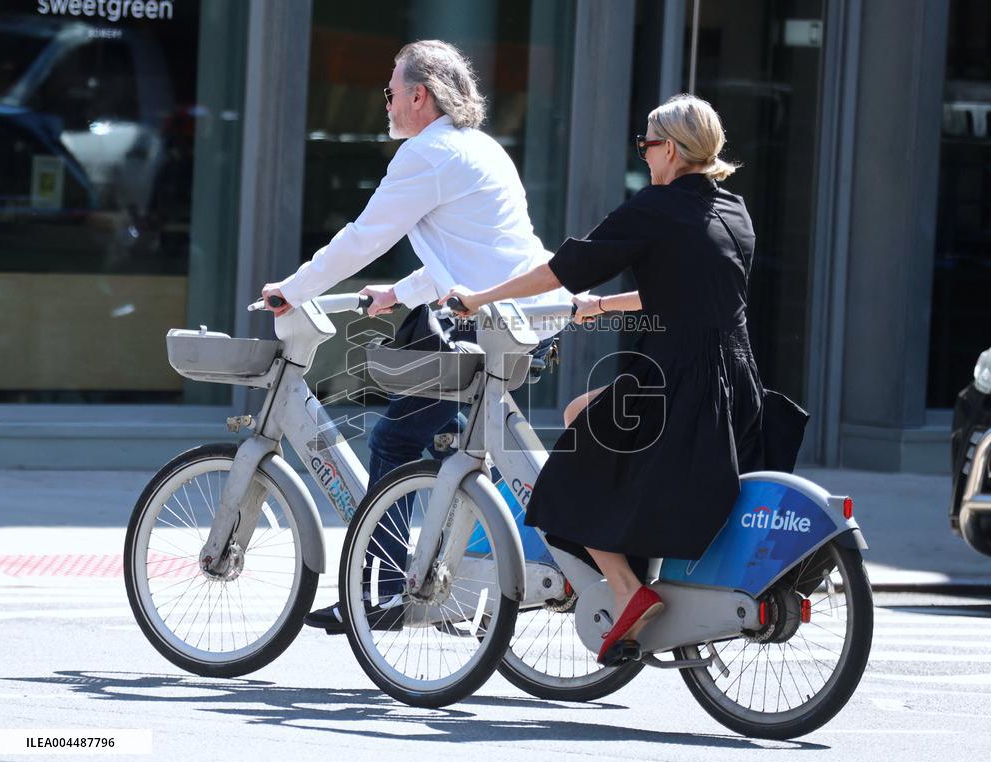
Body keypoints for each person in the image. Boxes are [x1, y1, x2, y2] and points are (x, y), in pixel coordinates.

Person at [442, 94, 763, 665]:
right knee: (582, 417)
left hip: (675, 386)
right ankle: (636, 582)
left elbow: (561, 269)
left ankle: (626, 588)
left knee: (566, 482)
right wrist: (601, 306)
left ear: (673, 150)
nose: (644, 155)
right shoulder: (733, 211)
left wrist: (479, 298)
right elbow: (686, 289)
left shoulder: (657, 207)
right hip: (735, 383)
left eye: (647, 145)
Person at [261, 40, 566, 632]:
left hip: (491, 325)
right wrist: (399, 293)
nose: (387, 103)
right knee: (452, 441)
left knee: (394, 441)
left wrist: (293, 289)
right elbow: (472, 255)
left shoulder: (426, 154)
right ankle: (450, 569)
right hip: (524, 319)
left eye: (391, 92)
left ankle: (380, 595)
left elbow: (362, 238)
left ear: (420, 95)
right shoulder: (479, 147)